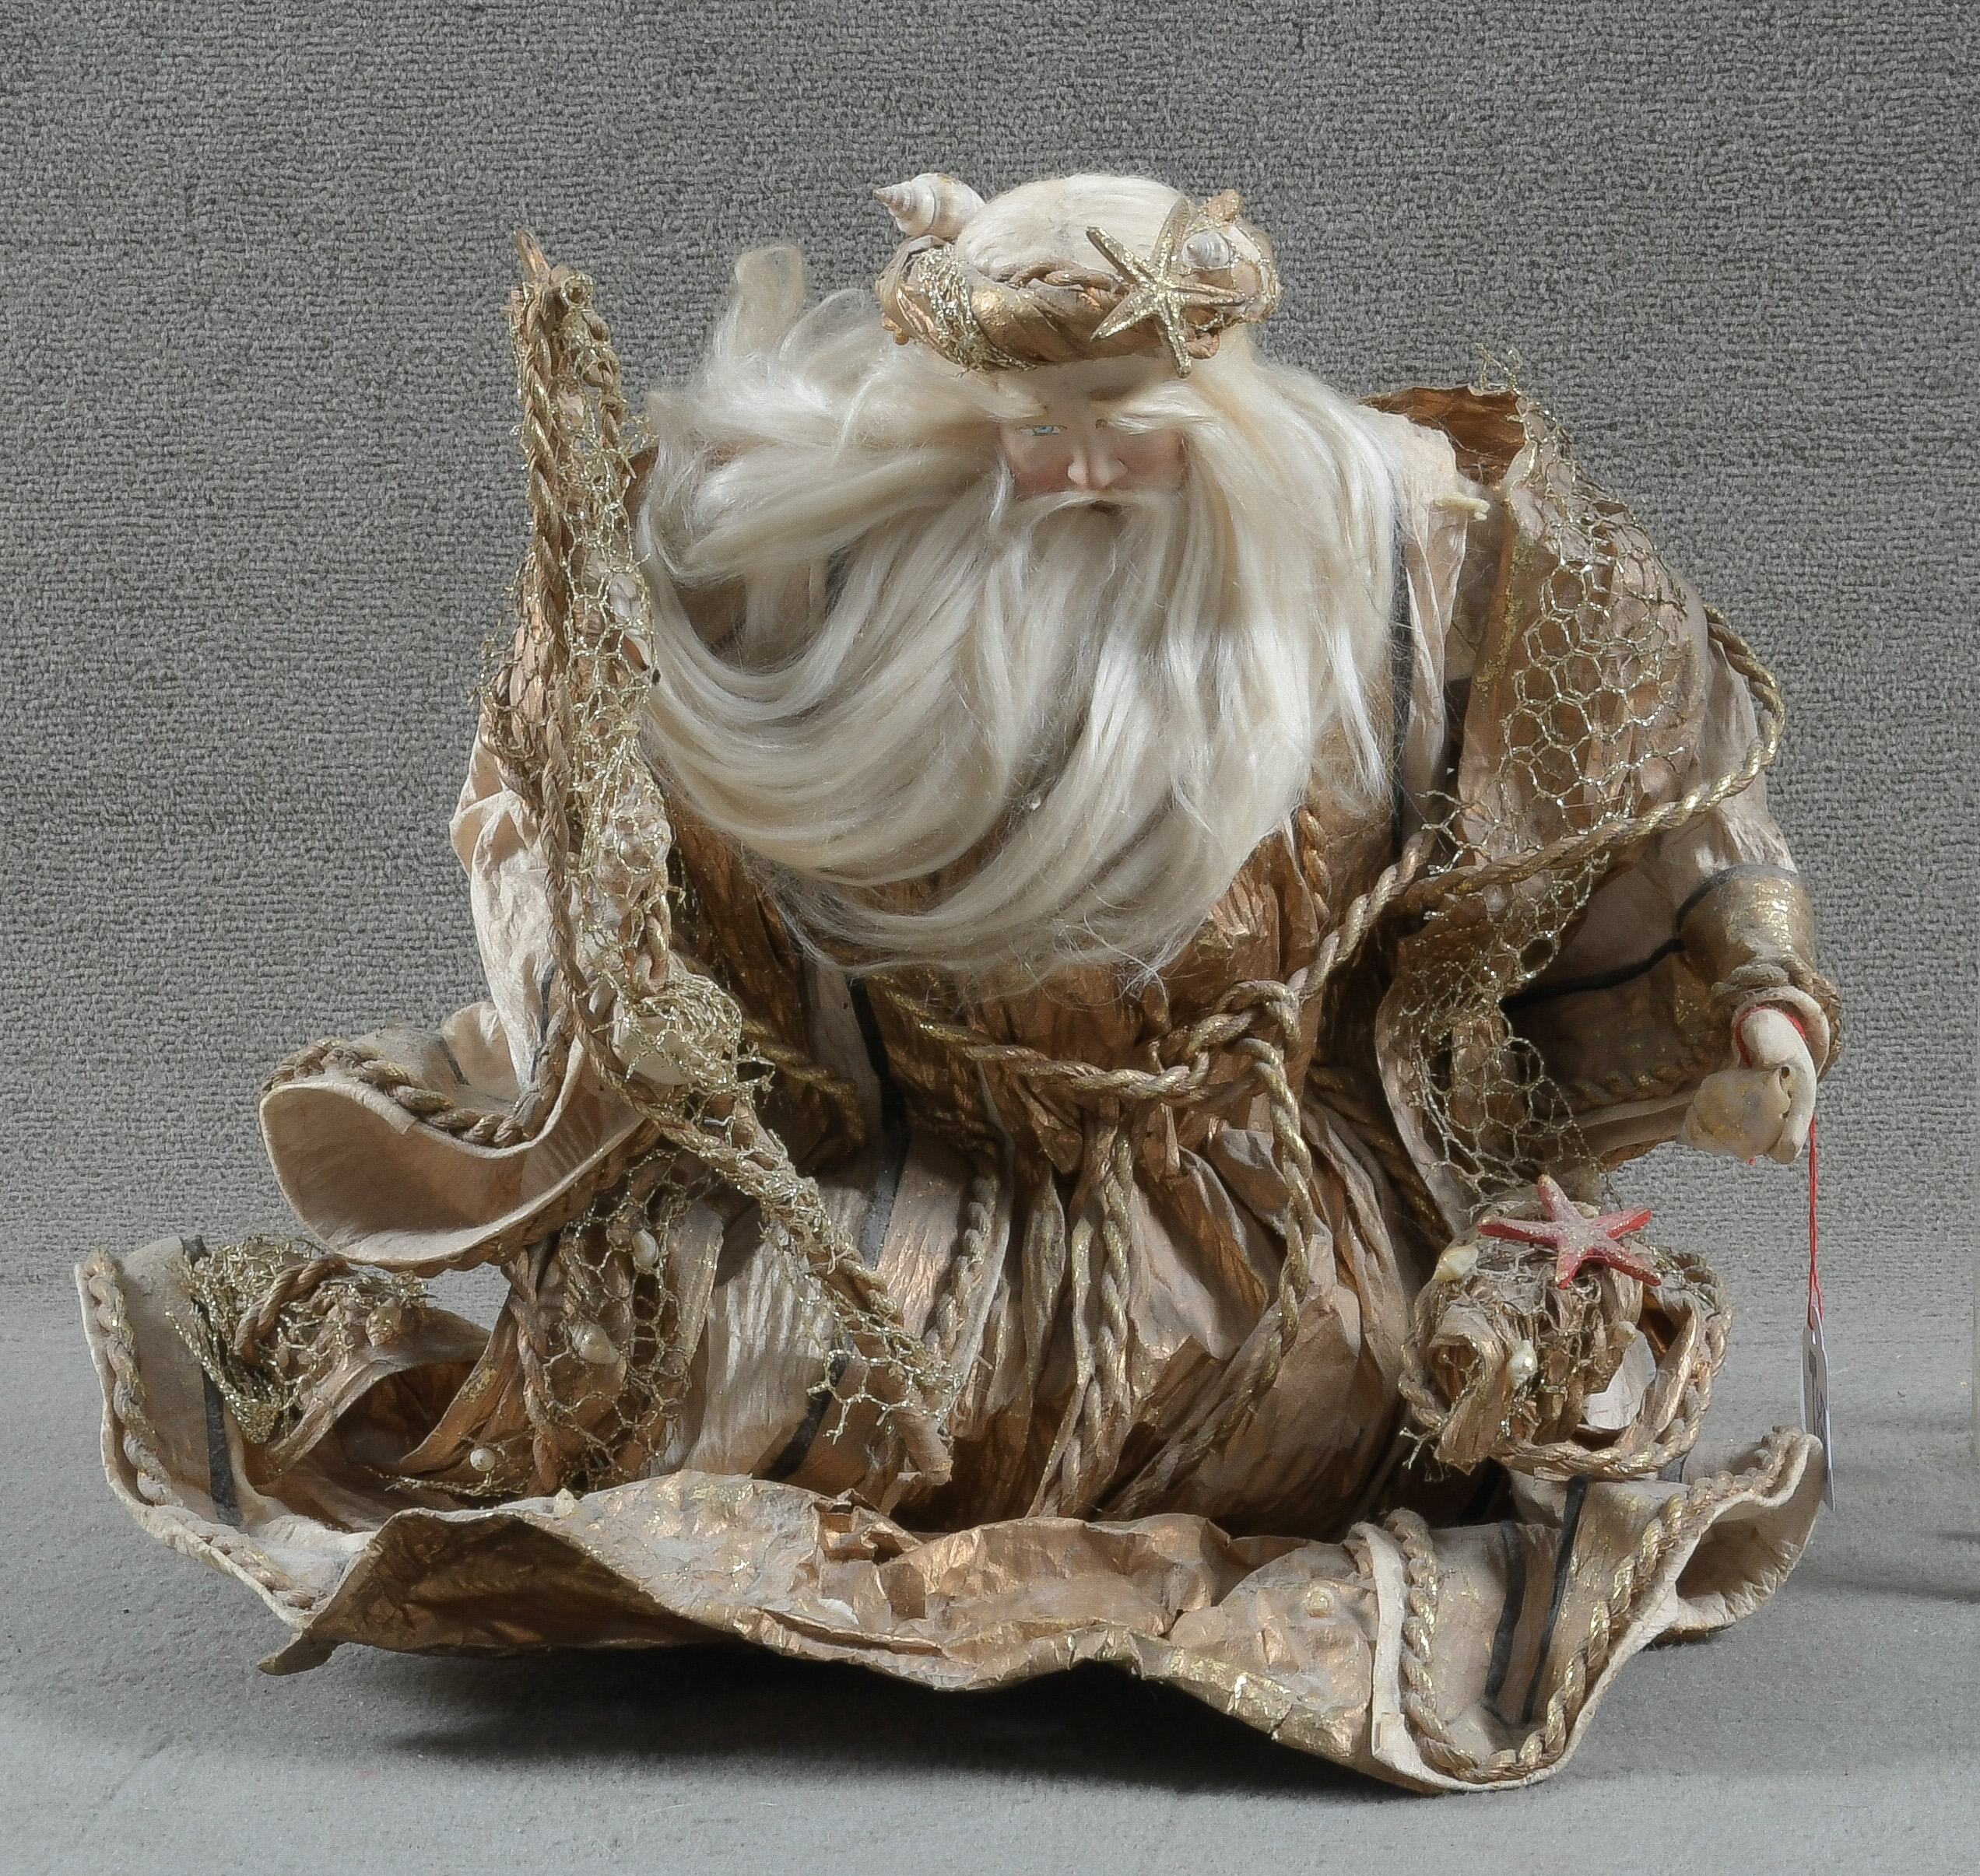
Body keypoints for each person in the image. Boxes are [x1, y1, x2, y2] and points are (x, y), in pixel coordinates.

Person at [80, 172, 1840, 1790]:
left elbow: (1646, 762)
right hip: (896, 1174)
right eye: (1028, 431)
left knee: (1346, 1390)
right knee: (706, 1355)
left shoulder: (1404, 544)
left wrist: (1750, 978)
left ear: (1221, 404)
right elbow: (552, 792)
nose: (1075, 471)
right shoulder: (797, 550)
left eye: (1127, 430)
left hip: (1253, 1197)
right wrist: (613, 980)